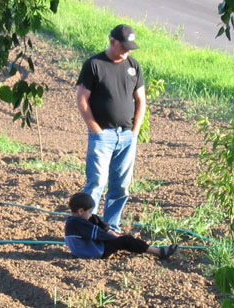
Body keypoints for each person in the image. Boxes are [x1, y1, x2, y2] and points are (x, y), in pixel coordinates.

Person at [76, 24, 146, 233]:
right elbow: (81, 98)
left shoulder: (133, 66)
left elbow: (141, 99)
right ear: (112, 42)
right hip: (103, 135)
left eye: (130, 48)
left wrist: (135, 130)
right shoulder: (94, 64)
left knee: (121, 186)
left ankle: (111, 227)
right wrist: (95, 128)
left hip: (126, 136)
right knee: (96, 182)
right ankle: (89, 227)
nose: (128, 52)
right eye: (124, 47)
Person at [64, 192, 178, 260]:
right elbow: (99, 234)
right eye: (88, 211)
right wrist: (117, 238)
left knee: (94, 218)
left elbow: (94, 224)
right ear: (80, 211)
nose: (89, 215)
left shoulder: (72, 221)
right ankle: (160, 252)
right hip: (96, 252)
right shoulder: (79, 223)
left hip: (86, 250)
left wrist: (109, 231)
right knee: (126, 240)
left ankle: (113, 232)